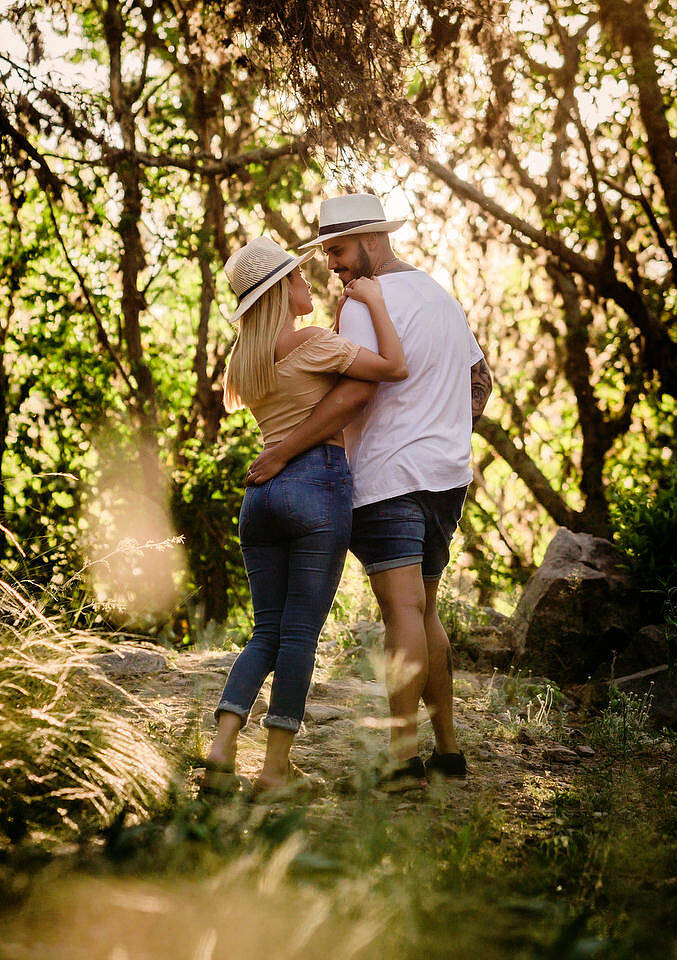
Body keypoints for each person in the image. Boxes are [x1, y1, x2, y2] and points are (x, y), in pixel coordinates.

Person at [246, 193, 494, 789]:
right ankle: (449, 752)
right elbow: (480, 382)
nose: (331, 264)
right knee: (426, 609)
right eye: (327, 252)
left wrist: (282, 449)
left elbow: (354, 396)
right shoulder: (442, 297)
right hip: (446, 476)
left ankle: (404, 758)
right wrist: (444, 434)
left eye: (337, 250)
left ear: (373, 242)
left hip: (388, 478)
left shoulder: (362, 301)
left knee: (401, 611)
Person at [201, 235, 408, 798]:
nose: (306, 282)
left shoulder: (243, 363)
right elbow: (393, 366)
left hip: (261, 496)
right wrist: (376, 306)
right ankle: (273, 770)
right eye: (295, 277)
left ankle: (221, 747)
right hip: (316, 483)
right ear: (280, 292)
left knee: (264, 631)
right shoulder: (314, 343)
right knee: (298, 637)